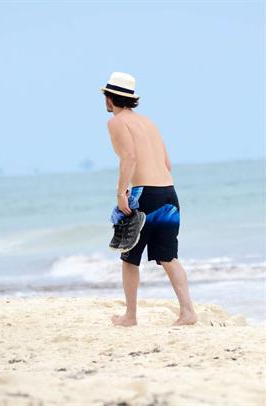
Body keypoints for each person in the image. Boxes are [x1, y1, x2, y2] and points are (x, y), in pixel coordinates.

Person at [101, 72, 197, 327]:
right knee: (168, 257)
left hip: (145, 194)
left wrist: (122, 193)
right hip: (168, 193)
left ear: (110, 98)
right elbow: (167, 163)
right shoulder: (149, 123)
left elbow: (129, 158)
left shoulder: (117, 123)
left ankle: (130, 316)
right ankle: (188, 312)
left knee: (129, 257)